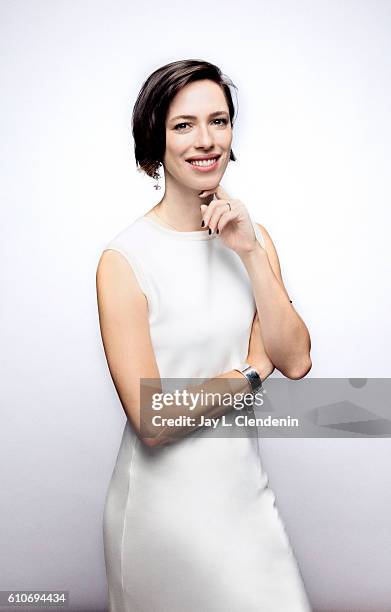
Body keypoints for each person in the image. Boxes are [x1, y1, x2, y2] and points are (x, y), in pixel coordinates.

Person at [96, 58, 313, 611]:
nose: (205, 140)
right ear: (156, 141)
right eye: (184, 125)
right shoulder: (125, 260)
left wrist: (249, 253)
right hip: (163, 515)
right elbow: (152, 420)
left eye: (218, 121)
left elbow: (294, 359)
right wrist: (247, 372)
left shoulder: (253, 237)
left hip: (244, 494)